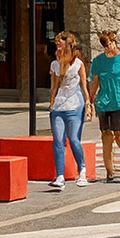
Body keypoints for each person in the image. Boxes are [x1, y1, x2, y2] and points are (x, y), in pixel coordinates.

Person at [46, 31, 92, 189]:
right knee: (58, 141)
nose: (57, 44)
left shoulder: (78, 63)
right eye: (56, 42)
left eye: (60, 41)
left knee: (73, 139)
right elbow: (55, 86)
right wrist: (51, 104)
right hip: (59, 106)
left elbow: (84, 85)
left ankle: (82, 171)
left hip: (75, 105)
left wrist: (88, 104)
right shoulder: (54, 64)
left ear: (69, 43)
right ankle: (59, 176)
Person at [88, 30, 120, 181]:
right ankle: (110, 171)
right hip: (103, 103)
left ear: (115, 43)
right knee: (106, 136)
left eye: (110, 44)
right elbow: (94, 83)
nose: (109, 47)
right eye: (106, 45)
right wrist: (89, 102)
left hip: (119, 101)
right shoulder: (98, 61)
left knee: (119, 135)